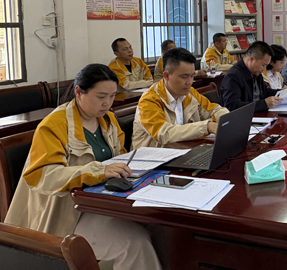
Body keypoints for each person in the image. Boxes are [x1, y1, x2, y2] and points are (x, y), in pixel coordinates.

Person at [5, 64, 162, 270]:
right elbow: (45, 175)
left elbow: (120, 157)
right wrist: (98, 171)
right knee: (133, 242)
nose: (107, 103)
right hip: (67, 214)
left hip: (101, 202)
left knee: (160, 226)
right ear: (79, 92)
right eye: (101, 96)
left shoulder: (108, 120)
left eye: (112, 96)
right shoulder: (54, 125)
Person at [132, 47, 229, 148]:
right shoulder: (149, 100)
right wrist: (207, 127)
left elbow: (213, 110)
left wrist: (227, 120)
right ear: (166, 76)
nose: (190, 82)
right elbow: (165, 134)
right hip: (153, 155)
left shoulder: (190, 93)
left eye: (192, 76)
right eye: (184, 77)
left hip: (184, 150)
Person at [220, 41, 284, 112]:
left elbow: (264, 92)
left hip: (258, 115)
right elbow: (232, 106)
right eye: (263, 65)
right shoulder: (233, 76)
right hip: (242, 118)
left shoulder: (256, 72)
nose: (264, 69)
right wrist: (264, 104)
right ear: (251, 59)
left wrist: (283, 92)